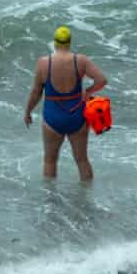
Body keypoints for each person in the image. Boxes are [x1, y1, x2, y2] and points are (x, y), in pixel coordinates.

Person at [24, 26, 107, 181]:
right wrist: (88, 92)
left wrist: (28, 111)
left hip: (53, 117)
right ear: (69, 42)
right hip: (77, 116)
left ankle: (50, 202)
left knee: (50, 161)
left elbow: (36, 92)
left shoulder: (44, 63)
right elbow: (102, 80)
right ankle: (86, 199)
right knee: (82, 161)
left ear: (54, 43)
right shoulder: (80, 60)